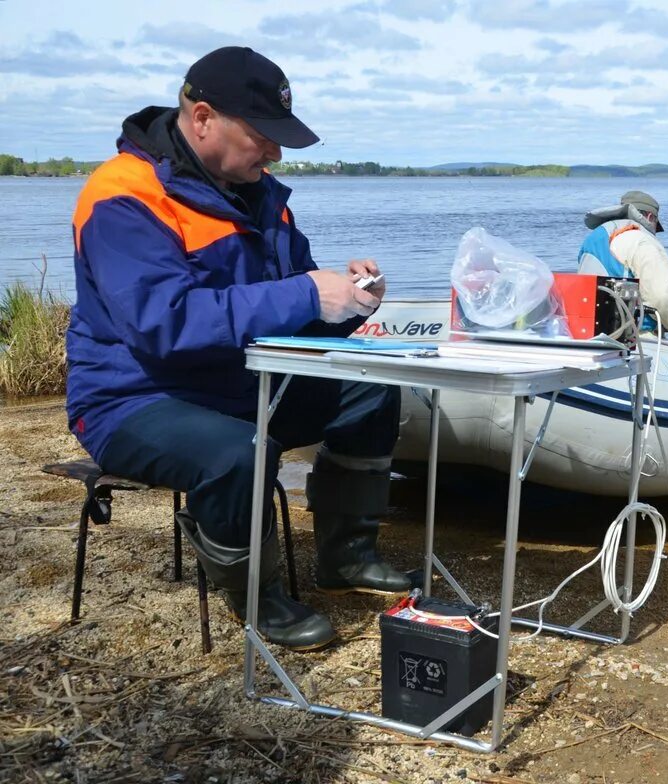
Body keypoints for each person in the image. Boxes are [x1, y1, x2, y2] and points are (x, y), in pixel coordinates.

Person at [65, 46, 411, 652]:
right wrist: (305, 293)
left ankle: (347, 555)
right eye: (263, 136)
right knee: (237, 452)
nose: (275, 152)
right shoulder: (122, 195)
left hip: (239, 382)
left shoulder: (263, 195)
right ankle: (258, 596)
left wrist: (349, 302)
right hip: (132, 397)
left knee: (370, 389)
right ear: (202, 119)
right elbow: (164, 325)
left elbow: (291, 319)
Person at [578, 190, 668, 336]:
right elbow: (663, 297)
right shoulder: (641, 240)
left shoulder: (593, 239)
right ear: (651, 217)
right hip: (633, 338)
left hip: (590, 333)